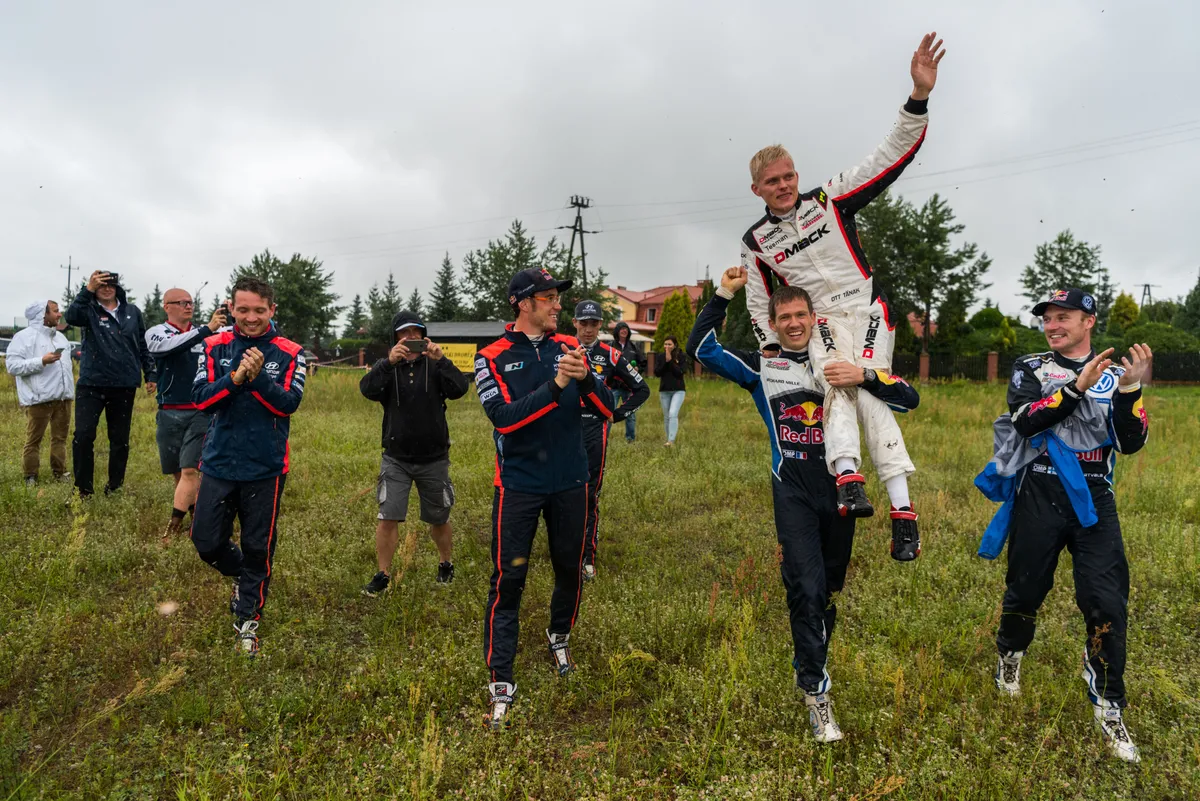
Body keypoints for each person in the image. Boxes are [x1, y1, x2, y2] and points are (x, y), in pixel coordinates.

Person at [688, 266, 919, 742]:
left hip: (840, 491)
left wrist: (867, 376)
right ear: (772, 324)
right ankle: (817, 692)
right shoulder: (761, 365)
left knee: (828, 591)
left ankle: (809, 656)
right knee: (806, 590)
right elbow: (702, 349)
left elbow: (908, 399)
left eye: (800, 315)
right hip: (791, 491)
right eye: (784, 317)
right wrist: (723, 293)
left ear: (815, 317)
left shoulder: (843, 359)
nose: (793, 323)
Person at [739, 32, 945, 560]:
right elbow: (761, 303)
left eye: (789, 176)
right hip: (824, 319)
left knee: (872, 391)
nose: (784, 186)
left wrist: (917, 96)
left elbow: (886, 158)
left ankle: (902, 511)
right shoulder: (757, 242)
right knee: (839, 387)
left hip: (868, 308)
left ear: (797, 176)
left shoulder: (828, 199)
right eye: (772, 181)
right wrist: (772, 346)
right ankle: (850, 481)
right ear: (757, 189)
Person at [982, 287, 1150, 763]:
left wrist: (1130, 389)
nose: (1052, 325)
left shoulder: (1116, 374)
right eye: (1047, 318)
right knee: (1025, 589)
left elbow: (1131, 442)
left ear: (1088, 321)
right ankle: (1010, 659)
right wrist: (1075, 388)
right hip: (1039, 489)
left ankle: (1108, 703)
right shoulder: (1031, 367)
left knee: (1106, 598)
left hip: (1095, 496)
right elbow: (1025, 422)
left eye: (1063, 317)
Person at [474, 267, 614, 729]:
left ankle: (559, 635)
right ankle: (501, 676)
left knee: (568, 569)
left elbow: (608, 409)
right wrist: (556, 386)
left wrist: (587, 381)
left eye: (558, 297)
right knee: (507, 582)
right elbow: (504, 419)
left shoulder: (569, 350)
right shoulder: (490, 355)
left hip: (572, 482)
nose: (559, 306)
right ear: (523, 302)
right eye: (550, 298)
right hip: (518, 485)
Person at [190, 277, 306, 657]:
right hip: (219, 462)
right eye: (243, 310)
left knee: (259, 548)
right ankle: (244, 576)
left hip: (266, 466)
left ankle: (247, 623)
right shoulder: (212, 345)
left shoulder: (291, 352)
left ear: (272, 309)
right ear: (231, 309)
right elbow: (203, 401)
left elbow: (288, 403)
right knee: (205, 542)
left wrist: (257, 382)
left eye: (259, 310)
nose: (251, 317)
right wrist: (236, 378)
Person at [359, 310, 470, 595]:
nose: (410, 338)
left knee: (439, 518)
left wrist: (442, 360)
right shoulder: (389, 367)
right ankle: (383, 574)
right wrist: (387, 363)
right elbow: (367, 390)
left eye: (416, 333)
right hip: (395, 457)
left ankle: (446, 563)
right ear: (395, 338)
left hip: (434, 457)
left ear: (424, 335)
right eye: (404, 333)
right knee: (387, 517)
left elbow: (460, 389)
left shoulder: (435, 366)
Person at [573, 300, 650, 581]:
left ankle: (587, 557)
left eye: (594, 324)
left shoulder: (611, 355)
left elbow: (642, 389)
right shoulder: (558, 349)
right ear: (575, 323)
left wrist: (615, 416)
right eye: (584, 323)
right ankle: (562, 550)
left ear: (600, 326)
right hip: (562, 430)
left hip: (594, 429)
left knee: (589, 493)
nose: (589, 329)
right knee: (558, 492)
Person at [64, 271, 156, 497]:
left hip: (123, 384)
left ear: (117, 288)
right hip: (91, 384)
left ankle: (115, 486)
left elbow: (142, 344)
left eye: (111, 285)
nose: (106, 289)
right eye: (101, 285)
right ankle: (83, 490)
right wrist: (86, 290)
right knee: (83, 436)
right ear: (95, 288)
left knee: (120, 440)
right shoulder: (88, 309)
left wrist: (150, 372)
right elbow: (72, 316)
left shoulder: (132, 312)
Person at [145, 289, 226, 534]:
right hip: (169, 411)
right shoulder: (157, 332)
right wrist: (204, 331)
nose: (188, 306)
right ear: (166, 306)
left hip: (200, 410)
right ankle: (194, 513)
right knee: (178, 471)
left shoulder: (208, 330)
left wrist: (233, 313)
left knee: (191, 469)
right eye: (181, 303)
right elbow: (166, 349)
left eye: (190, 302)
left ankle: (177, 526)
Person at [7, 300, 75, 486]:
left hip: (63, 399)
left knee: (60, 439)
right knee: (33, 440)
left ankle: (59, 473)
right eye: (55, 311)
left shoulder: (61, 338)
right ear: (41, 315)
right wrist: (41, 361)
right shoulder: (23, 338)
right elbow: (12, 366)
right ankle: (30, 476)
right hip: (38, 400)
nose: (59, 314)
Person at [609, 321, 644, 442]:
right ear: (617, 332)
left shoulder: (633, 347)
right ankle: (604, 438)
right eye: (621, 329)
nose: (624, 331)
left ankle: (630, 439)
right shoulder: (611, 346)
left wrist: (638, 370)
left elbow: (643, 362)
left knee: (630, 414)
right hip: (613, 386)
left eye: (626, 329)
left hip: (628, 387)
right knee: (608, 412)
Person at [654, 335, 686, 446]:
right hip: (664, 390)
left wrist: (671, 361)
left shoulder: (681, 356)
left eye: (669, 344)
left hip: (678, 390)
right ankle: (668, 440)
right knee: (667, 416)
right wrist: (665, 362)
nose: (667, 346)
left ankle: (671, 440)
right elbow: (657, 372)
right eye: (665, 344)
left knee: (673, 413)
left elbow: (680, 373)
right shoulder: (660, 357)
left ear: (675, 345)